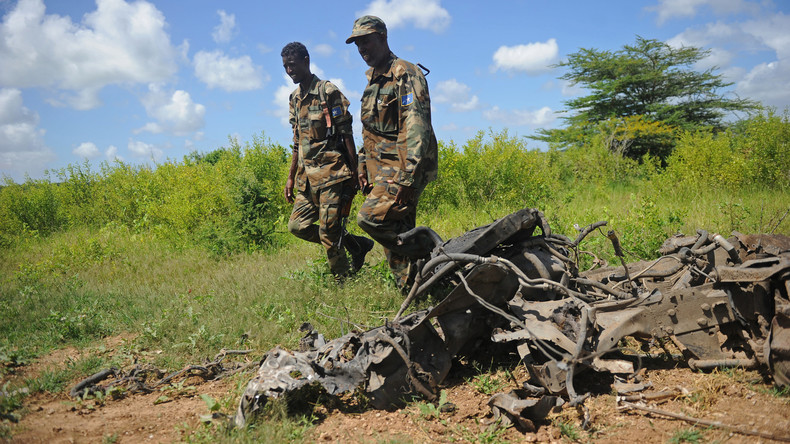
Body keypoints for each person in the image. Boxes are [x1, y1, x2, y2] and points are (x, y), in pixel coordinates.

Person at [345, 16, 438, 291]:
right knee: (398, 228)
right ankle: (414, 290)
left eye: (367, 41)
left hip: (403, 165)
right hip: (380, 167)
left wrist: (409, 175)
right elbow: (370, 130)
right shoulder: (373, 81)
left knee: (369, 218)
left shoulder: (404, 73)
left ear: (383, 37)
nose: (363, 49)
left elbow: (416, 125)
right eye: (358, 44)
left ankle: (432, 251)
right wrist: (363, 165)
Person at [281, 42, 374, 280]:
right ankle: (356, 245)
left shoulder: (327, 91)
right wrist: (291, 177)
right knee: (297, 226)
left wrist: (356, 171)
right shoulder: (294, 99)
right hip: (306, 179)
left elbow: (346, 133)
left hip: (332, 174)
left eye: (292, 65)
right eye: (285, 67)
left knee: (329, 233)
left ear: (306, 60)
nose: (289, 71)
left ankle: (342, 281)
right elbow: (296, 142)